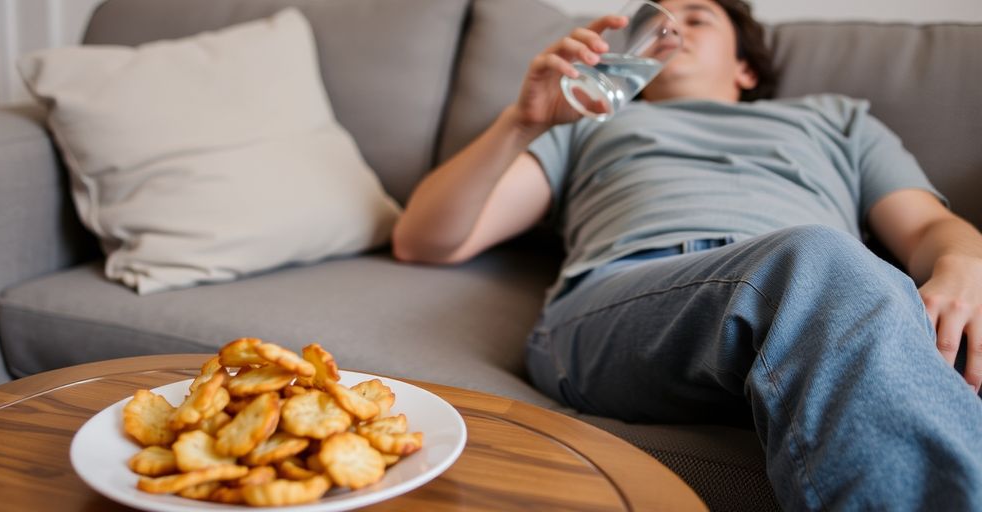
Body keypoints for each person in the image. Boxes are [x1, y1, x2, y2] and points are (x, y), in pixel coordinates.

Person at [391, 0, 982, 509]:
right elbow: (425, 240)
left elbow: (930, 225)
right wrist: (521, 124)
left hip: (827, 300)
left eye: (697, 19)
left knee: (880, 299)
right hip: (629, 298)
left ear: (746, 67)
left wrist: (962, 264)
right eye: (659, 24)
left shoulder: (835, 119)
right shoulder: (586, 125)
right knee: (814, 259)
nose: (672, 31)